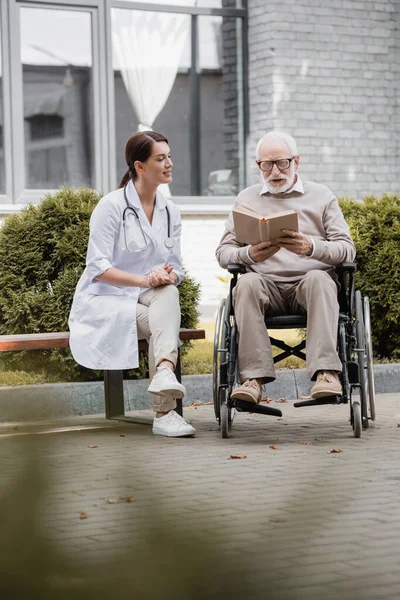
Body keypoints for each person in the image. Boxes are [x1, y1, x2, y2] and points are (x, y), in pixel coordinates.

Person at [69, 131, 195, 437]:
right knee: (162, 318)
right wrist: (146, 278)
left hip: (150, 295)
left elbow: (176, 267)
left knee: (168, 291)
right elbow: (98, 268)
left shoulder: (170, 211)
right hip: (106, 298)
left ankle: (164, 372)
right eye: (160, 158)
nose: (169, 164)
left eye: (169, 156)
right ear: (140, 166)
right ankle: (164, 413)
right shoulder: (111, 206)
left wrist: (168, 276)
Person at [215, 130, 356, 403]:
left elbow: (347, 248)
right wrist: (250, 254)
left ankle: (327, 373)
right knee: (246, 284)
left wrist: (312, 247)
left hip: (310, 284)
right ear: (258, 165)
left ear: (296, 161)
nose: (274, 171)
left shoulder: (321, 196)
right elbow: (223, 252)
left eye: (282, 163)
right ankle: (252, 379)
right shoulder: (246, 198)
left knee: (319, 279)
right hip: (266, 285)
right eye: (266, 165)